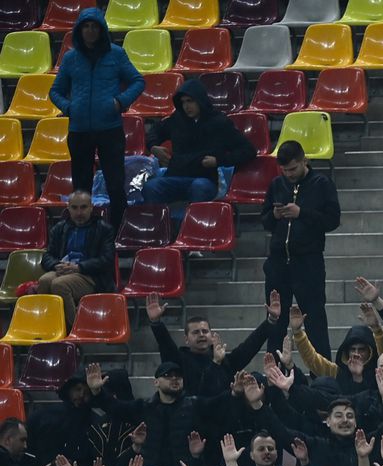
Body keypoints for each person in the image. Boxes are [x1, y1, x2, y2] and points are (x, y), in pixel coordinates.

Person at [49, 9, 145, 230]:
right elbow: (55, 91)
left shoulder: (116, 54)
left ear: (102, 30)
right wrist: (69, 107)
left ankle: (118, 231)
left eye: (94, 26)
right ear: (79, 30)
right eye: (86, 26)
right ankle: (83, 233)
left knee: (115, 184)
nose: (90, 30)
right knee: (81, 187)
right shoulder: (70, 58)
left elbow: (138, 81)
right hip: (79, 131)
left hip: (110, 129)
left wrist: (120, 102)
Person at [262, 141, 341, 360]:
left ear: (304, 160)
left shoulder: (322, 184)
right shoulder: (277, 184)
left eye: (293, 169)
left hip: (308, 262)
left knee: (315, 322)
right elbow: (265, 220)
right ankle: (274, 371)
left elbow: (332, 220)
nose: (289, 174)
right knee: (276, 321)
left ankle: (322, 375)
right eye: (284, 170)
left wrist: (302, 213)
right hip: (278, 262)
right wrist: (274, 216)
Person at [144, 79, 256, 207]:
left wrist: (219, 160)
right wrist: (153, 147)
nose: (186, 106)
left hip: (205, 179)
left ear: (200, 100)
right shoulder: (177, 119)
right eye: (183, 102)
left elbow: (248, 150)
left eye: (190, 101)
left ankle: (196, 220)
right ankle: (161, 220)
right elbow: (154, 131)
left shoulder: (219, 122)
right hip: (175, 177)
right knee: (151, 187)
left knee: (199, 186)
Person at [38, 191, 115, 325]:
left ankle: (74, 328)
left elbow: (107, 260)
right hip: (64, 270)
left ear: (91, 207)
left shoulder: (104, 229)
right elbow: (47, 256)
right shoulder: (59, 228)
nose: (79, 212)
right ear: (68, 208)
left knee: (59, 285)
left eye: (83, 207)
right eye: (74, 208)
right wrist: (56, 265)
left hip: (91, 275)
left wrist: (79, 267)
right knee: (44, 280)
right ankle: (47, 325)